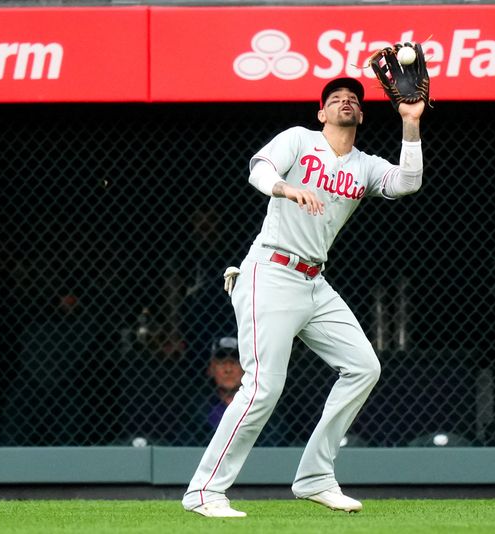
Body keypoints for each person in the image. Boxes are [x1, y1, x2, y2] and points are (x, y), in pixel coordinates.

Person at [181, 77, 426, 518]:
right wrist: (285, 187)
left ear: (362, 114)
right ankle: (203, 492)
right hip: (269, 272)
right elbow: (258, 168)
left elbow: (408, 182)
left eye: (353, 99)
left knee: (364, 367)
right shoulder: (300, 139)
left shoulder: (364, 165)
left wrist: (410, 123)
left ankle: (315, 476)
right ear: (321, 112)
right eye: (335, 98)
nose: (345, 101)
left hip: (314, 282)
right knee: (262, 387)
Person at [203, 336, 286, 446]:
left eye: (234, 362)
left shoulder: (264, 405)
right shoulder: (200, 410)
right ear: (211, 368)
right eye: (222, 362)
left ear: (246, 368)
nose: (228, 369)